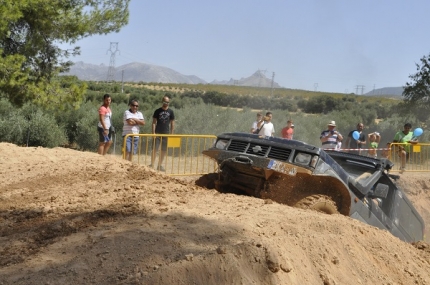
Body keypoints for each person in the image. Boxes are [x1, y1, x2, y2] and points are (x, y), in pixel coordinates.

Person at [150, 95, 175, 171]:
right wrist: (153, 132)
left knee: (163, 150)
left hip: (166, 133)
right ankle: (152, 164)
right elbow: (154, 122)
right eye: (164, 102)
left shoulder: (171, 111)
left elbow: (172, 123)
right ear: (162, 101)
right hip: (157, 132)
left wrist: (171, 133)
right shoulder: (157, 111)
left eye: (167, 102)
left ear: (169, 103)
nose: (166, 103)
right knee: (155, 149)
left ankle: (159, 165)